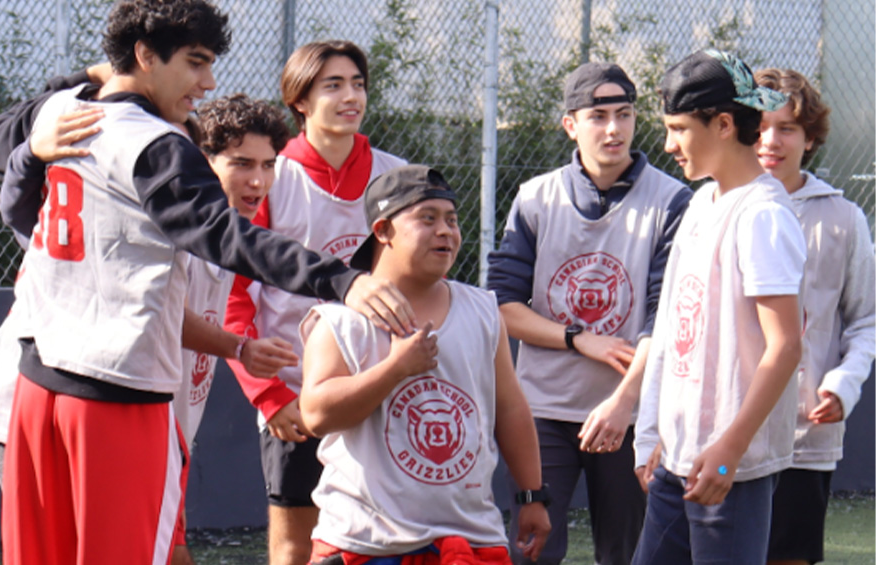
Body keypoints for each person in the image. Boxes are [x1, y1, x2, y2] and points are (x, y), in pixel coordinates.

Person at [0, 2, 414, 564]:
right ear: (145, 56)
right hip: (112, 394)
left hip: (36, 383)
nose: (208, 82)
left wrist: (27, 154)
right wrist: (339, 279)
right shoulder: (155, 143)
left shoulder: (65, 114)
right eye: (195, 62)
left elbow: (17, 208)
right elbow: (225, 236)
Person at [487, 62, 691, 565]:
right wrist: (579, 338)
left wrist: (625, 402)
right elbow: (503, 307)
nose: (614, 129)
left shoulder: (673, 201)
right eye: (598, 116)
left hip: (631, 412)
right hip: (541, 410)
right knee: (532, 552)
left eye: (624, 114)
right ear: (570, 125)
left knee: (627, 554)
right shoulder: (535, 198)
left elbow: (664, 318)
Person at [300, 165, 551, 564]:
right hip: (366, 544)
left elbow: (510, 409)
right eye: (427, 218)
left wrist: (532, 495)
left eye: (451, 220)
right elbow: (316, 415)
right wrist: (395, 369)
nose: (445, 231)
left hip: (470, 539)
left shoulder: (483, 311)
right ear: (383, 230)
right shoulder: (341, 321)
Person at [221, 39, 408, 565]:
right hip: (297, 395)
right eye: (334, 86)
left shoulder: (395, 177)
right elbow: (233, 299)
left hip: (377, 388)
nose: (351, 97)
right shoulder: (271, 177)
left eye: (358, 84)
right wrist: (269, 396)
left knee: (387, 538)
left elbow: (415, 282)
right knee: (295, 544)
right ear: (300, 100)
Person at [632, 49, 806, 565]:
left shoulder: (763, 216)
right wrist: (656, 433)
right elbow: (673, 330)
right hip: (677, 460)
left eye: (679, 129)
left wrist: (729, 451)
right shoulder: (700, 203)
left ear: (724, 125)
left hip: (730, 471)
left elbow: (785, 347)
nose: (668, 145)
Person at [752, 68, 875, 565]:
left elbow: (867, 320)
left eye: (786, 128)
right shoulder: (711, 207)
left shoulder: (844, 219)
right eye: (760, 126)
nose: (770, 141)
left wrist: (844, 384)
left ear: (810, 139)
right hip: (723, 437)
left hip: (804, 440)